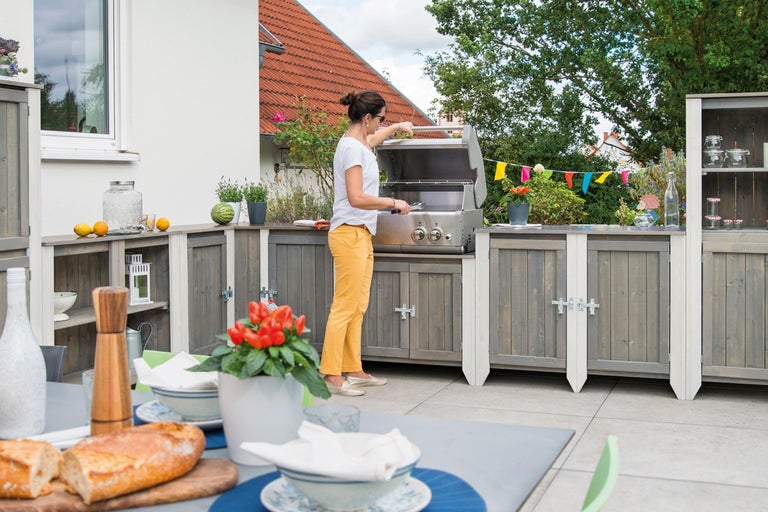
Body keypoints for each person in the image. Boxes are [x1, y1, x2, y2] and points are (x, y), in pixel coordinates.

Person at [319, 91, 414, 396]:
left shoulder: (361, 144)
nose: (380, 124)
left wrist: (396, 126)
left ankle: (354, 369)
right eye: (381, 118)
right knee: (344, 307)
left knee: (358, 306)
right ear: (366, 118)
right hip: (348, 232)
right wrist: (393, 202)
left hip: (361, 234)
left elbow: (372, 141)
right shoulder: (350, 149)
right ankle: (331, 375)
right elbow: (356, 197)